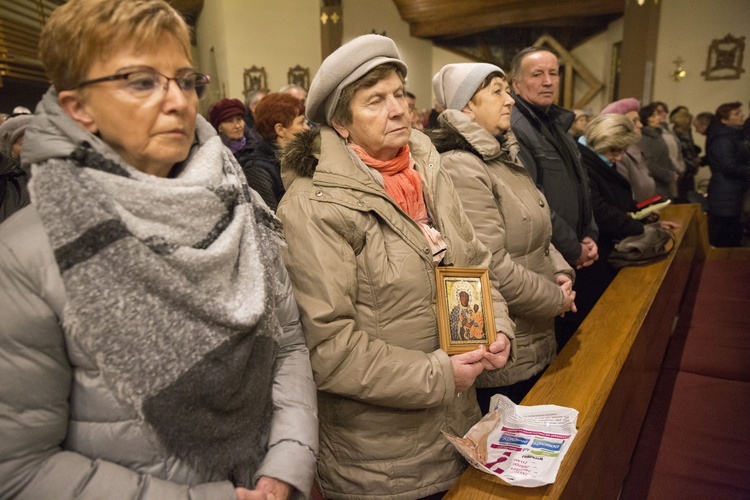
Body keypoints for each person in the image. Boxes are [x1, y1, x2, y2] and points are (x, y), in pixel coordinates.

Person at [0, 1, 318, 499]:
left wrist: (283, 467)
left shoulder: (242, 206)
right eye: (142, 81)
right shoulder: (26, 254)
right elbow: (20, 468)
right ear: (77, 108)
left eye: (185, 79)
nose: (177, 102)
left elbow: (290, 346)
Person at [277, 34, 515, 500]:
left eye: (400, 95)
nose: (399, 110)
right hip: (382, 461)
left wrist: (498, 326)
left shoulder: (425, 163)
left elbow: (475, 261)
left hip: (458, 424)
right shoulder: (312, 205)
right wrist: (440, 374)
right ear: (341, 124)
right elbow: (329, 349)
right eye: (376, 101)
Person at [429, 62, 575, 410]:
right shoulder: (462, 165)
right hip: (509, 346)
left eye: (507, 90)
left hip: (537, 328)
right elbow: (490, 265)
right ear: (467, 107)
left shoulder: (501, 155)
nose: (509, 100)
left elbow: (539, 231)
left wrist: (561, 271)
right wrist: (556, 299)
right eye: (497, 91)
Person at [509, 46, 598, 348]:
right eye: (537, 74)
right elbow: (535, 197)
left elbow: (581, 184)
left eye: (553, 73)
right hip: (551, 257)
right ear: (516, 83)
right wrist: (574, 247)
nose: (548, 81)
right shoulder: (517, 127)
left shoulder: (556, 122)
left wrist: (590, 232)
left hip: (574, 248)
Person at [245, 92, 309, 210]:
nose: (307, 128)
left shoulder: (302, 158)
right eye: (301, 123)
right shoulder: (257, 170)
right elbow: (270, 220)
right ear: (280, 130)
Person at [705, 102, 750, 247]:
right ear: (725, 120)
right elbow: (729, 166)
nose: (742, 115)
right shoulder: (723, 139)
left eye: (740, 112)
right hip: (725, 193)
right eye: (736, 114)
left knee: (733, 235)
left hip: (733, 191)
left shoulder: (735, 136)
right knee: (724, 236)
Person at [600, 97, 657, 203]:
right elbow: (624, 195)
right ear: (618, 125)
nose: (640, 125)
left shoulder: (635, 149)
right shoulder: (619, 155)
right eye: (634, 121)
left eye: (639, 120)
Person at [639, 103, 679, 201]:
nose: (658, 117)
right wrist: (668, 174)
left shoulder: (657, 135)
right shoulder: (645, 138)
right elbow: (648, 163)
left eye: (658, 114)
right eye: (654, 116)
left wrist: (674, 171)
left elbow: (665, 156)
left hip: (664, 185)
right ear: (646, 119)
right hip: (655, 186)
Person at [671, 108, 701, 202]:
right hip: (683, 175)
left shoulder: (682, 136)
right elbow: (685, 156)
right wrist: (694, 164)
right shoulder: (681, 138)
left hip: (685, 174)